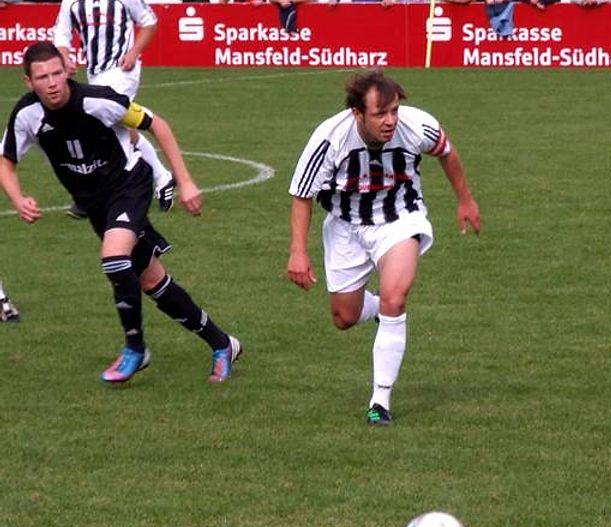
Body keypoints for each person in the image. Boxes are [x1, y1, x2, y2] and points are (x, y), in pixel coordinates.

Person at [1, 42, 242, 383]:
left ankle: (135, 349)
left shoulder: (98, 101)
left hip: (129, 184)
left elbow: (158, 125)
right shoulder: (27, 115)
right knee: (152, 281)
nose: (52, 83)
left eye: (57, 73)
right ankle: (223, 344)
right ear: (28, 81)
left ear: (68, 71)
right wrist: (17, 197)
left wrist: (185, 181)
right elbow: (6, 161)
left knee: (114, 259)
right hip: (96, 204)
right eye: (42, 77)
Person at [287, 70, 481, 426]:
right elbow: (302, 196)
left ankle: (380, 400)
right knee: (344, 317)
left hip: (400, 219)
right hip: (346, 227)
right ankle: (379, 310)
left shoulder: (416, 125)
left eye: (394, 110)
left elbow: (446, 151)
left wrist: (465, 200)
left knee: (396, 296)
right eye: (380, 114)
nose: (391, 120)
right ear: (357, 114)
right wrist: (298, 251)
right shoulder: (330, 138)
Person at [53, 0, 176, 219]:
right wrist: (64, 58)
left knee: (98, 123)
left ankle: (97, 192)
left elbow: (149, 22)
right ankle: (162, 177)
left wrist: (134, 52)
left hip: (122, 71)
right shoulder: (70, 2)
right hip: (95, 73)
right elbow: (62, 34)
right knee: (122, 129)